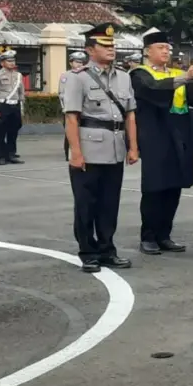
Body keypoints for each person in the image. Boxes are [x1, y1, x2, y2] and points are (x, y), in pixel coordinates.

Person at [63, 23, 139, 273]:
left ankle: (107, 249)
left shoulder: (124, 77)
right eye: (105, 45)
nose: (111, 49)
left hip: (116, 147)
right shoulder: (77, 78)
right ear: (89, 50)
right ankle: (88, 251)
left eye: (113, 45)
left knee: (109, 203)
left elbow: (130, 115)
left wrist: (133, 147)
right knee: (86, 203)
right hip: (89, 147)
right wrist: (75, 153)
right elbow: (72, 118)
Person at [130, 29, 193, 255]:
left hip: (180, 133)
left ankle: (164, 234)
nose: (166, 51)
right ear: (148, 51)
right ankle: (148, 236)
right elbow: (152, 91)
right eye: (161, 48)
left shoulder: (177, 72)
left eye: (167, 48)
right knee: (155, 187)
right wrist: (184, 78)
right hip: (156, 134)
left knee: (175, 186)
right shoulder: (140, 74)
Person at [0, 49, 25, 165]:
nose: (12, 63)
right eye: (9, 61)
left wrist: (21, 109)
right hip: (2, 105)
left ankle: (11, 154)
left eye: (13, 60)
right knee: (1, 132)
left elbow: (21, 94)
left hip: (15, 106)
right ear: (2, 63)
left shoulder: (18, 75)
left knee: (13, 131)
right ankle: (1, 156)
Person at [59, 51, 88, 161]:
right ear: (71, 63)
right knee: (70, 132)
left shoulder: (87, 74)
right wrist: (65, 108)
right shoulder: (66, 76)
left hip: (84, 109)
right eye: (76, 62)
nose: (79, 64)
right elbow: (62, 93)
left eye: (81, 62)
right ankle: (69, 153)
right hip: (70, 108)